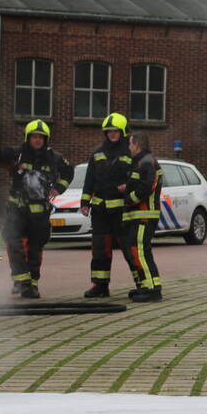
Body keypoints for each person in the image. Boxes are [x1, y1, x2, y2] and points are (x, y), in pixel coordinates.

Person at [0, 120, 73, 298]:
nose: (37, 140)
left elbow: (68, 172)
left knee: (35, 249)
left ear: (46, 139)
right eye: (34, 137)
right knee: (14, 244)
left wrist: (58, 188)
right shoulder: (17, 154)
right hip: (17, 210)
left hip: (39, 215)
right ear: (28, 138)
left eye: (41, 137)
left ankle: (32, 284)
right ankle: (22, 281)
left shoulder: (54, 157)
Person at [81, 113, 132, 298]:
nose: (112, 134)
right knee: (100, 250)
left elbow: (136, 179)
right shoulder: (97, 153)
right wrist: (84, 202)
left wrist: (128, 188)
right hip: (100, 211)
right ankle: (99, 285)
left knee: (129, 248)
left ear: (123, 132)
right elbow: (89, 179)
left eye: (115, 131)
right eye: (109, 131)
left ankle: (142, 283)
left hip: (121, 211)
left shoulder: (129, 152)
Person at [119, 132, 163, 302]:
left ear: (136, 144)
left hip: (144, 216)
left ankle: (152, 289)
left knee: (139, 250)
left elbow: (148, 185)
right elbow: (140, 183)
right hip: (138, 216)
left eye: (130, 144)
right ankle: (147, 284)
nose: (129, 147)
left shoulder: (147, 162)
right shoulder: (142, 162)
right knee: (141, 251)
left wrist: (130, 199)